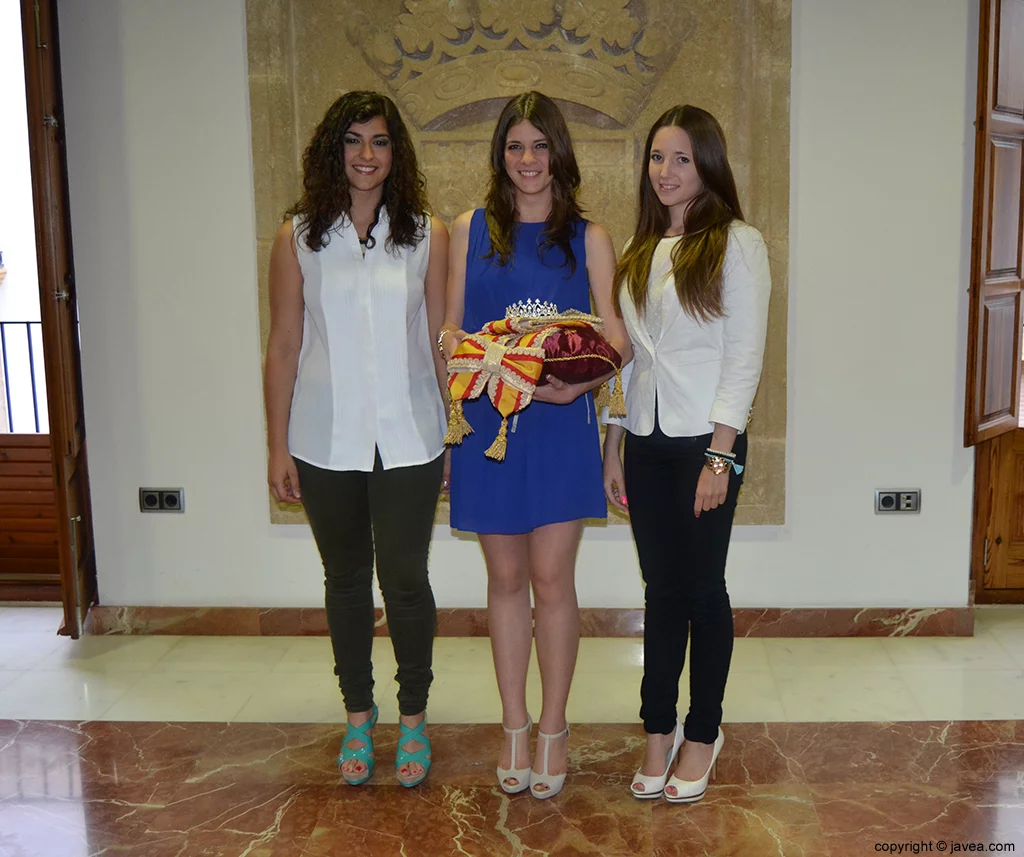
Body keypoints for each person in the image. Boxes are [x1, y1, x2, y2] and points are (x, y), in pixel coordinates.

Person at [439, 91, 631, 800]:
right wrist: (480, 357)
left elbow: (617, 336)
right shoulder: (467, 230)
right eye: (515, 146)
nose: (527, 160)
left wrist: (574, 384)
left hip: (557, 424)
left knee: (552, 582)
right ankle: (512, 723)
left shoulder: (589, 236)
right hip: (488, 425)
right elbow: (452, 329)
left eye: (540, 146)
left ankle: (553, 725)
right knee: (504, 583)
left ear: (559, 155)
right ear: (501, 156)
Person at [264, 91, 449, 788]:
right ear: (332, 151)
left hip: (411, 435)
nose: (366, 155)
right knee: (344, 580)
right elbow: (283, 346)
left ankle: (412, 720)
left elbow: (439, 344)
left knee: (404, 579)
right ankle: (358, 715)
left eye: (379, 141)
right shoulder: (299, 235)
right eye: (353, 141)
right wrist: (277, 445)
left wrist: (456, 431)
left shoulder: (427, 232)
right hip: (322, 438)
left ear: (395, 153)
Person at [602, 105, 771, 803]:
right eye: (655, 158)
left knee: (703, 590)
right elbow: (627, 361)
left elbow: (744, 357)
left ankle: (703, 732)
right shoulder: (640, 251)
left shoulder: (738, 243)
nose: (665, 172)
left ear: (707, 164)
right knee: (660, 592)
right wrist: (614, 442)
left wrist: (721, 457)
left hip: (706, 441)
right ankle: (657, 728)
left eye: (679, 158)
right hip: (644, 440)